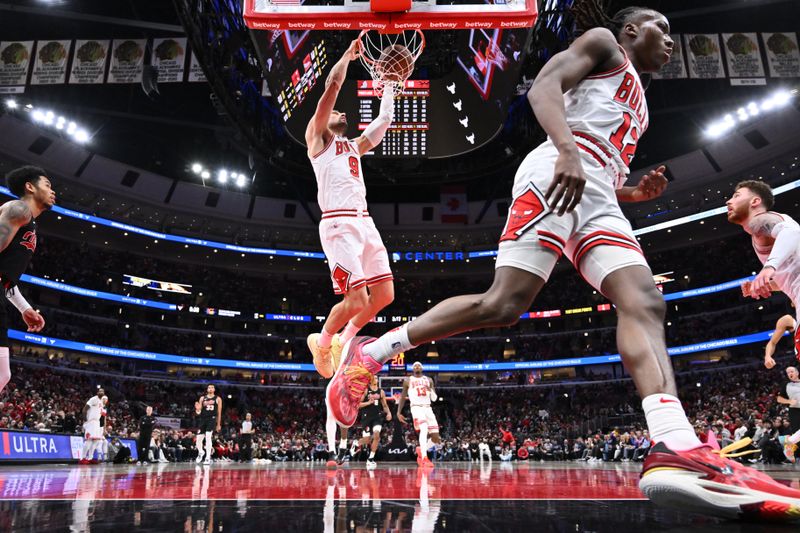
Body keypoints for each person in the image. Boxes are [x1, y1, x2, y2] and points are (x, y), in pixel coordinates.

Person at [328, 4, 800, 521]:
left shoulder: (641, 100)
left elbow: (602, 153)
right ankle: (374, 353)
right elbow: (543, 89)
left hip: (598, 191)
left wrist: (632, 190)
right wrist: (568, 152)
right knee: (504, 303)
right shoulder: (604, 44)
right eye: (660, 29)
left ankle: (673, 442)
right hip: (557, 171)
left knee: (644, 299)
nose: (669, 40)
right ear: (630, 30)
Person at [305, 38, 395, 378]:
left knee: (384, 294)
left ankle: (344, 339)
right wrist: (346, 56)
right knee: (356, 301)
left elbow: (384, 120)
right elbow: (333, 85)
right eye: (337, 112)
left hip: (365, 223)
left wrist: (388, 84)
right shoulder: (318, 139)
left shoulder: (354, 147)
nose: (343, 113)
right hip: (338, 225)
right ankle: (322, 342)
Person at [0, 166, 53, 394]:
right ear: (30, 187)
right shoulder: (19, 209)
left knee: (3, 374)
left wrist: (24, 309)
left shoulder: (27, 220)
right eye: (48, 185)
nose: (53, 191)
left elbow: (5, 277)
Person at [397, 362, 440, 468]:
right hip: (416, 407)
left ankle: (421, 449)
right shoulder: (408, 380)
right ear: (412, 369)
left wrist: (430, 390)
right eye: (415, 366)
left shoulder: (429, 380)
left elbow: (434, 399)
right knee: (424, 429)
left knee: (436, 438)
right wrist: (398, 412)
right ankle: (425, 458)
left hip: (428, 408)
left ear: (422, 368)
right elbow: (402, 397)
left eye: (419, 365)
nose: (417, 367)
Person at [355, 375, 392, 468]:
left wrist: (389, 413)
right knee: (367, 440)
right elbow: (358, 404)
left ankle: (370, 458)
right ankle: (356, 443)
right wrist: (368, 402)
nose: (375, 379)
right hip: (366, 417)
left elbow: (384, 405)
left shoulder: (381, 392)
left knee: (376, 436)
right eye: (373, 378)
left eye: (376, 378)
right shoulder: (366, 390)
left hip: (377, 417)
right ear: (370, 380)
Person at [776, 367, 800, 462]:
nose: (790, 373)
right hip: (795, 411)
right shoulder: (786, 384)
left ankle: (789, 441)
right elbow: (779, 399)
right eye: (788, 372)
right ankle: (790, 442)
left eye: (792, 371)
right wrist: (789, 401)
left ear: (797, 373)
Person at [196, 384, 222, 465]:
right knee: (198, 439)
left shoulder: (218, 399)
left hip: (212, 419)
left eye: (212, 387)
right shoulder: (202, 398)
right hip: (203, 419)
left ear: (214, 389)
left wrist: (218, 424)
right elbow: (198, 412)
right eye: (209, 387)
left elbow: (219, 413)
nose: (210, 388)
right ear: (207, 389)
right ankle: (201, 452)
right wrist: (197, 410)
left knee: (208, 436)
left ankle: (207, 457)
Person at [80, 387, 106, 465]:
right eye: (100, 391)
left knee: (96, 441)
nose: (101, 392)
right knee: (89, 440)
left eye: (103, 391)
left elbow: (101, 414)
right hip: (91, 422)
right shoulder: (93, 399)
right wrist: (85, 420)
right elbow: (84, 409)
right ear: (97, 392)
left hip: (97, 423)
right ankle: (82, 458)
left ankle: (90, 457)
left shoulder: (101, 401)